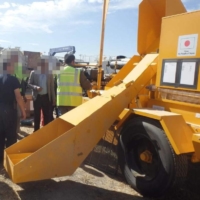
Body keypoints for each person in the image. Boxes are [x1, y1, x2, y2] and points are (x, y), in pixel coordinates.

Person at [0, 55, 26, 163]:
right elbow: (18, 97)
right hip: (9, 110)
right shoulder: (13, 79)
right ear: (8, 67)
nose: (14, 68)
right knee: (11, 134)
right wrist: (23, 111)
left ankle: (1, 159)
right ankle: (10, 160)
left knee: (0, 134)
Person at [28, 57, 55, 131]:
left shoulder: (49, 74)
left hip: (46, 97)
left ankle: (45, 132)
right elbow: (29, 84)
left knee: (47, 115)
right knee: (37, 116)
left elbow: (52, 87)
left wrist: (53, 98)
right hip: (37, 97)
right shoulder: (33, 73)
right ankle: (36, 131)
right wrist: (36, 87)